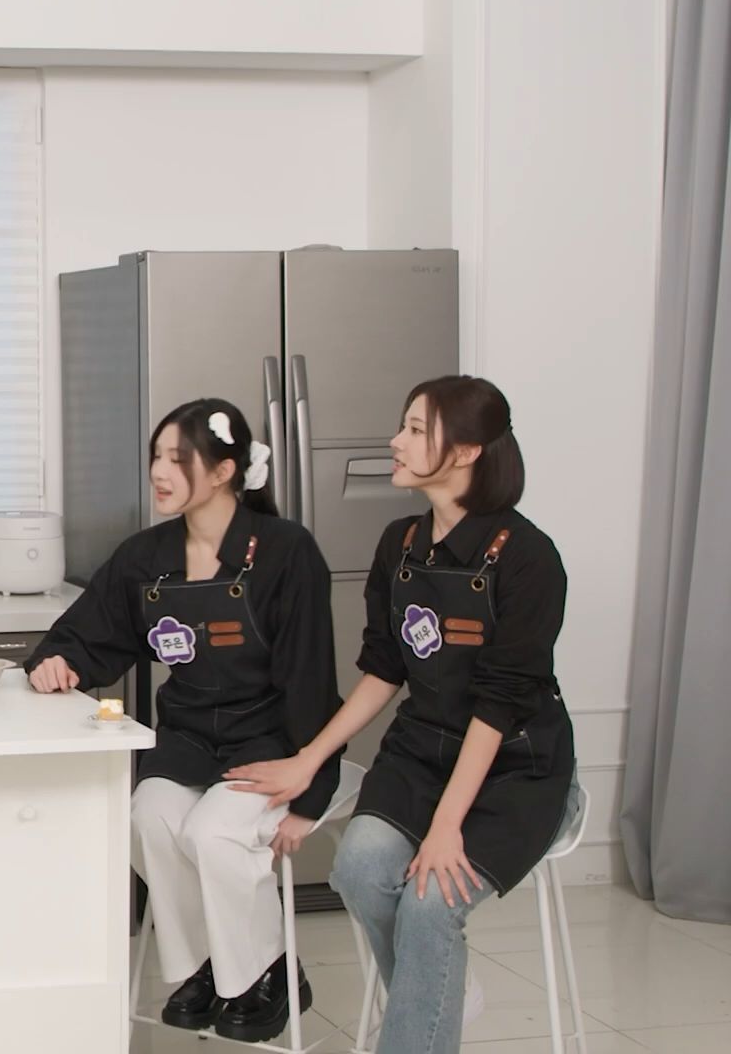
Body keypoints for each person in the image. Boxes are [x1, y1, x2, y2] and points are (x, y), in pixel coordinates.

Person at [226, 375, 574, 1054]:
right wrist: (308, 759)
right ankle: (442, 989)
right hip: (422, 753)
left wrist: (446, 828)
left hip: (514, 767)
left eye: (416, 429)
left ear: (466, 451)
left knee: (431, 901)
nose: (396, 441)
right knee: (359, 871)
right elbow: (384, 670)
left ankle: (425, 1004)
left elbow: (499, 705)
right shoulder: (400, 543)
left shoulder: (529, 559)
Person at [23, 398, 342, 1042]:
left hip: (271, 741)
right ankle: (211, 966)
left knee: (213, 834)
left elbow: (312, 678)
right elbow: (88, 633)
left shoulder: (286, 552)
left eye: (178, 459)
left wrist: (312, 787)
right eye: (157, 457)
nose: (160, 472)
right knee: (148, 818)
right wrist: (56, 661)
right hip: (189, 740)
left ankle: (265, 971)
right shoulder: (146, 556)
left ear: (224, 471)